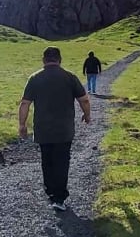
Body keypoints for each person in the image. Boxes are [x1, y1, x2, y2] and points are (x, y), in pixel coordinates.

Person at [18, 46, 91, 211]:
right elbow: (84, 100)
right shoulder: (70, 77)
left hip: (43, 129)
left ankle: (51, 193)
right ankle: (59, 197)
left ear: (44, 60)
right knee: (62, 162)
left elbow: (25, 103)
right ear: (60, 60)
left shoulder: (34, 78)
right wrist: (87, 115)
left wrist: (22, 125)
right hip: (64, 130)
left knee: (47, 161)